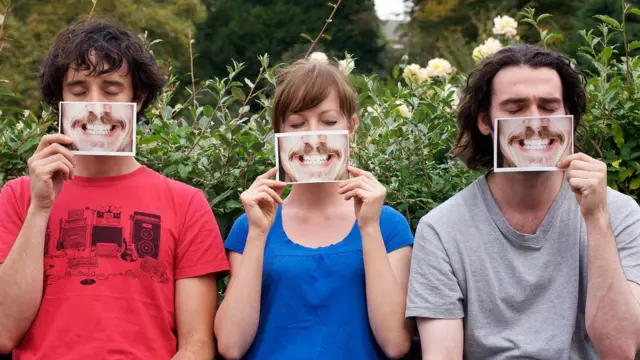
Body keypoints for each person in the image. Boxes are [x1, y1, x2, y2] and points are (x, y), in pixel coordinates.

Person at [0, 19, 229, 359]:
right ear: (59, 100)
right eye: (78, 91)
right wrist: (40, 208)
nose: (95, 106)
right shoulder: (18, 197)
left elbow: (197, 344)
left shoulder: (186, 203)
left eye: (110, 90)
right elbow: (4, 333)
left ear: (137, 98)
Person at [406, 43, 640, 359]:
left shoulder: (619, 214)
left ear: (568, 116)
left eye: (548, 107)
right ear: (485, 122)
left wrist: (597, 220)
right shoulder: (442, 229)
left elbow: (621, 349)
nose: (534, 122)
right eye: (515, 109)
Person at [214, 59, 415, 359]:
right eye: (297, 124)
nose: (313, 138)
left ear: (352, 127)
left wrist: (369, 228)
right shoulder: (252, 225)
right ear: (279, 134)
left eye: (329, 122)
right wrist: (257, 233)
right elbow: (231, 346)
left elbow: (396, 344)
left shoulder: (388, 225)